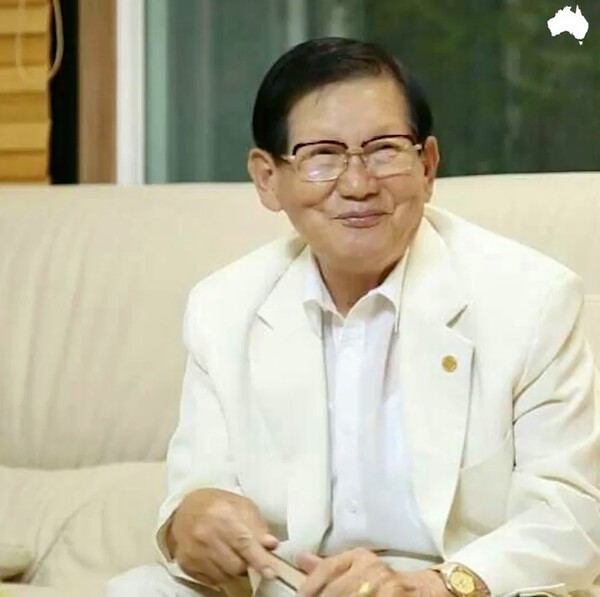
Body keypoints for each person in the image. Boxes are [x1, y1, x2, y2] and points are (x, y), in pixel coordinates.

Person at [108, 37, 600, 597]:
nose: (359, 185)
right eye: (322, 155)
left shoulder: (531, 299)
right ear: (267, 178)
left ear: (427, 165)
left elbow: (572, 518)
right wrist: (190, 523)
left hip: (456, 586)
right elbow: (199, 491)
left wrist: (430, 587)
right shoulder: (223, 308)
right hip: (291, 585)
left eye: (384, 150)